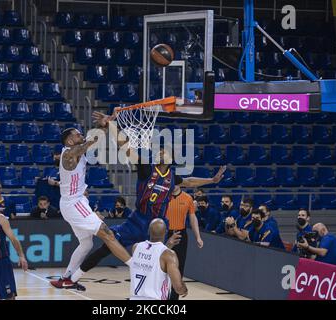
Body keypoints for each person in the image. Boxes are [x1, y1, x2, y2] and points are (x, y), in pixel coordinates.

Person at [63, 111, 226, 289]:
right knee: (106, 247)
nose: (161, 152)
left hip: (157, 225)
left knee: (162, 263)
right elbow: (125, 147)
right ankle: (73, 278)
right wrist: (111, 125)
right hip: (137, 221)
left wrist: (211, 180)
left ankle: (164, 294)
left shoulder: (172, 177)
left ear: (170, 159)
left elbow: (189, 181)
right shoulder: (146, 169)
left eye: (164, 151)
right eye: (160, 150)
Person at [50, 128, 133, 290]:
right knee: (106, 233)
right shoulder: (68, 155)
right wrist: (95, 136)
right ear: (69, 141)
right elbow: (84, 146)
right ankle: (136, 267)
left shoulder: (76, 151)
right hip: (73, 204)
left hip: (77, 200)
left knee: (86, 244)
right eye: (77, 134)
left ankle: (67, 278)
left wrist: (103, 126)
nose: (80, 135)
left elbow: (88, 142)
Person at [130, 218, 188, 300]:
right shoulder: (169, 255)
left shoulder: (136, 247)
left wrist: (167, 245)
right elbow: (178, 288)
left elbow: (152, 261)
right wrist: (184, 290)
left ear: (149, 231)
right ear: (166, 232)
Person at [165, 185, 202, 300]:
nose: (173, 185)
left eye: (176, 182)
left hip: (181, 234)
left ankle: (173, 298)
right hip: (166, 232)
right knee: (162, 265)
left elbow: (192, 217)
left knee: (179, 267)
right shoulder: (164, 197)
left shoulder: (188, 198)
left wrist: (198, 237)